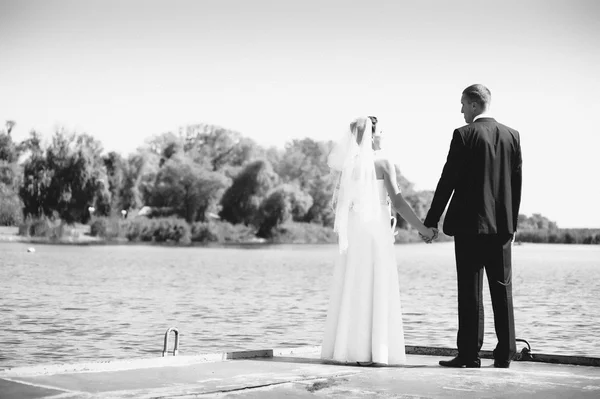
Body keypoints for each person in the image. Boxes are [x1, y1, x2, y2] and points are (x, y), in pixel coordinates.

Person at [321, 116, 436, 366]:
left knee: (352, 283)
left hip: (354, 231)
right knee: (377, 283)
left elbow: (337, 204)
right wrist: (423, 229)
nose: (383, 135)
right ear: (371, 136)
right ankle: (377, 350)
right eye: (381, 131)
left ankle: (346, 349)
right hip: (376, 231)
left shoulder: (348, 165)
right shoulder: (383, 161)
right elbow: (398, 202)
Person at [423, 84, 523, 368]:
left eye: (464, 104)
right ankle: (505, 355)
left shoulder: (463, 135)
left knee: (470, 291)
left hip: (469, 227)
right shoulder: (512, 136)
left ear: (476, 105)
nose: (462, 110)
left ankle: (469, 355)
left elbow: (448, 181)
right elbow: (516, 184)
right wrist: (512, 225)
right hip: (502, 228)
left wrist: (431, 222)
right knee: (503, 290)